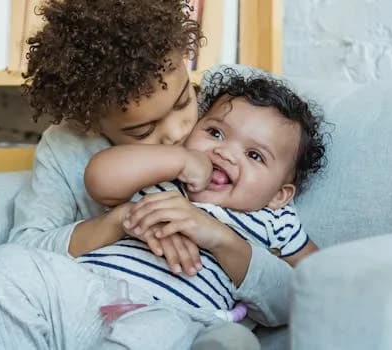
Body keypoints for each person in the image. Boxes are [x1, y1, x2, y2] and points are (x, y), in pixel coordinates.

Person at [0, 1, 296, 349]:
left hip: (179, 316)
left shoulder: (221, 130)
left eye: (185, 101)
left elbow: (303, 283)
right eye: (143, 131)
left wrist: (221, 238)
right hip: (91, 295)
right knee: (0, 268)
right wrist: (120, 222)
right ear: (90, 122)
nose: (176, 132)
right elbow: (27, 247)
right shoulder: (66, 148)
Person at [82, 68, 325, 317]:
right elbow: (100, 179)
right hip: (88, 283)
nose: (225, 152)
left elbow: (324, 279)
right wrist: (180, 160)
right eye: (215, 133)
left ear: (279, 195)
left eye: (254, 155)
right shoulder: (166, 175)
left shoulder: (274, 220)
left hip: (167, 316)